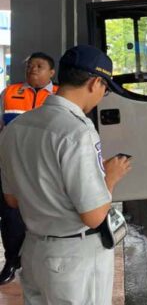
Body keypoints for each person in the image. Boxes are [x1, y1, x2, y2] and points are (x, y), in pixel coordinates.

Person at [0, 45, 131, 304]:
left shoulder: (15, 129)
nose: (102, 95)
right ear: (95, 82)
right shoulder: (78, 131)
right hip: (74, 260)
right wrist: (111, 176)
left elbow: (12, 199)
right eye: (105, 89)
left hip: (34, 251)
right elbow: (94, 216)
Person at [0, 52, 57, 285]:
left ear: (51, 73)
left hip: (45, 169)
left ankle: (44, 265)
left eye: (39, 66)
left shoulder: (59, 95)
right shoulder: (10, 92)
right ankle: (12, 261)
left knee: (45, 217)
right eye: (30, 65)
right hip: (12, 166)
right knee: (10, 216)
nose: (32, 69)